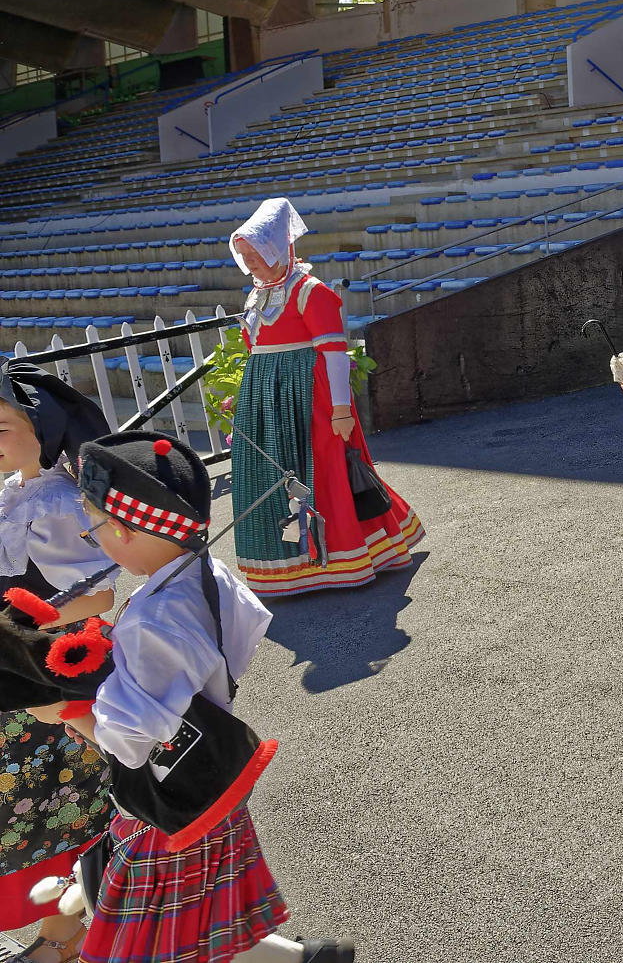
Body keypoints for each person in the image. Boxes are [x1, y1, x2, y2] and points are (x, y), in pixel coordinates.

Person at [52, 431, 353, 962]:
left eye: (92, 524)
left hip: (167, 798)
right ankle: (298, 958)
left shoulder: (154, 620)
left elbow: (128, 744)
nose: (90, 534)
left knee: (155, 935)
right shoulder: (208, 575)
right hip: (209, 774)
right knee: (198, 912)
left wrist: (63, 710)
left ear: (122, 530)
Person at [228, 198, 423, 597]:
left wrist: (339, 409)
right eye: (244, 256)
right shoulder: (256, 295)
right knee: (272, 477)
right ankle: (289, 566)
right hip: (267, 401)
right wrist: (244, 394)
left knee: (325, 472)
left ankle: (343, 557)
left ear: (277, 249)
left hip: (309, 397)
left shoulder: (309, 291)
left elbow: (333, 352)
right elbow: (257, 352)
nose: (250, 263)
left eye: (256, 254)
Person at [0, 362, 112, 963]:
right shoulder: (15, 494)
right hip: (16, 670)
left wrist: (28, 621)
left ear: (42, 433)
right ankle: (58, 931)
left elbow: (96, 593)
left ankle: (64, 933)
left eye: (0, 430)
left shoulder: (58, 503)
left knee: (50, 805)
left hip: (44, 675)